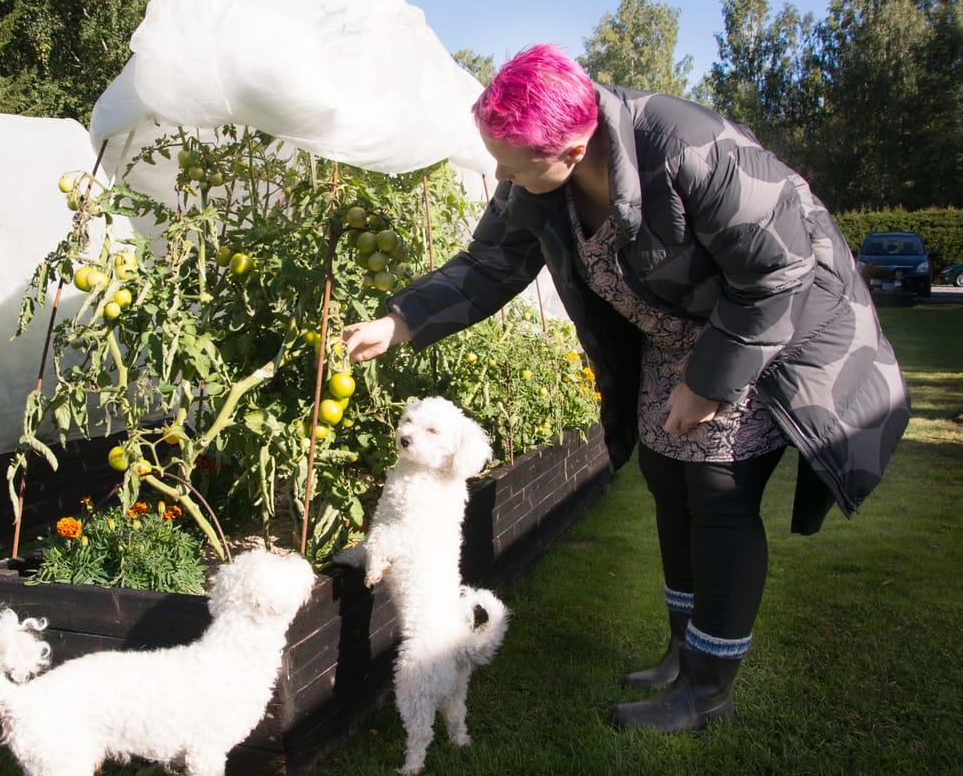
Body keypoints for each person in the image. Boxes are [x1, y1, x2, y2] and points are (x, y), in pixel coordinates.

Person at [342, 43, 910, 732]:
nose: (500, 174)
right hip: (678, 333)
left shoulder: (694, 151)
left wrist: (709, 383)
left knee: (719, 492)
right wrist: (402, 320)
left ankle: (707, 689)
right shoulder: (537, 175)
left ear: (574, 149)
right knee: (668, 478)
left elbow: (778, 272)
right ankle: (683, 651)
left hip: (768, 325)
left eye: (511, 164)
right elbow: (492, 261)